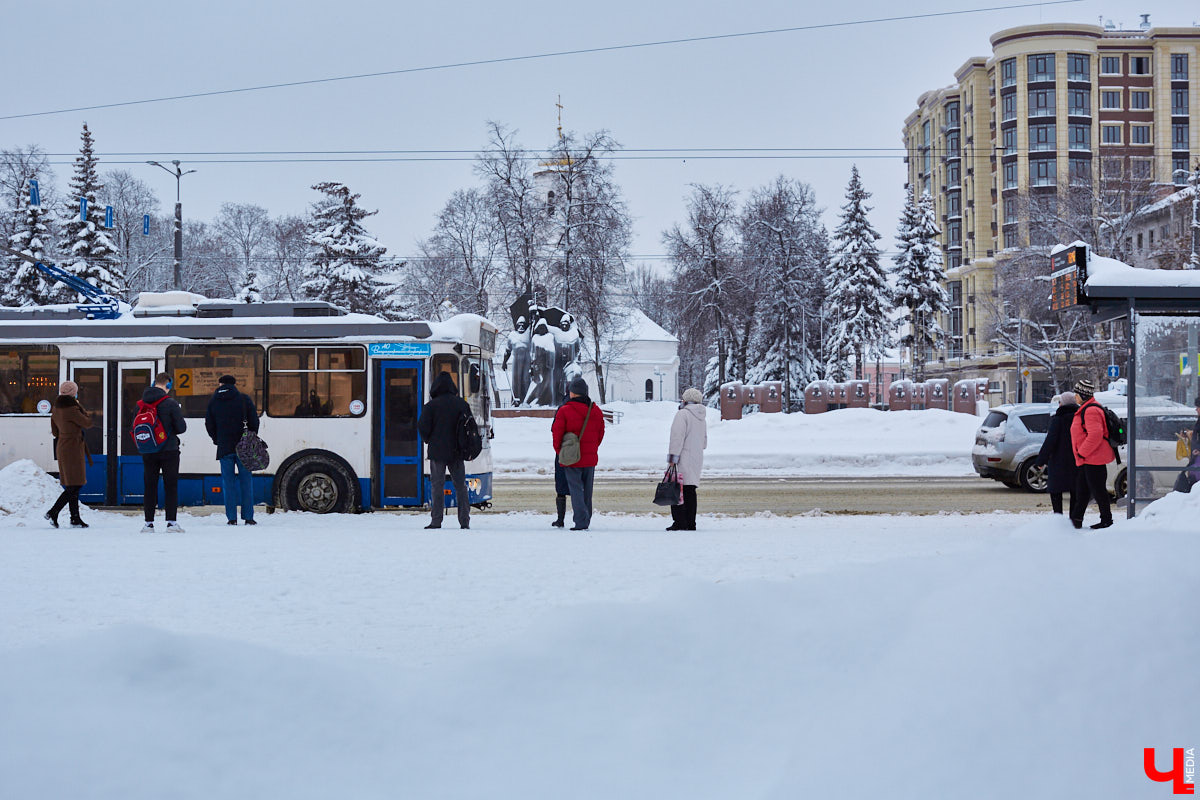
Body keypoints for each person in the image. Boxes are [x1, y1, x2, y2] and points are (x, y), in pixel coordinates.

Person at [417, 371, 472, 529]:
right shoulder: (461, 404)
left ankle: (436, 521)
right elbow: (470, 428)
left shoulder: (431, 406)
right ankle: (464, 521)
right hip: (457, 452)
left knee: (437, 486)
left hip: (437, 452)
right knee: (460, 486)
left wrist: (430, 440)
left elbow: (423, 427)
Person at [551, 376, 605, 530]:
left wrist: (560, 452)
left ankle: (580, 521)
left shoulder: (565, 410)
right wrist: (593, 447)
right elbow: (600, 433)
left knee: (576, 490)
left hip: (572, 457)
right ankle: (586, 519)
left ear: (573, 393)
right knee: (587, 492)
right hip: (590, 457)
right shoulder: (595, 410)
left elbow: (557, 434)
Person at [205, 375, 259, 526]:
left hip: (224, 447)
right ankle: (248, 517)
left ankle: (231, 518)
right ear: (234, 384)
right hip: (244, 447)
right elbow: (254, 421)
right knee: (246, 482)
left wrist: (217, 440)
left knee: (228, 483)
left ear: (220, 383)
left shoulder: (214, 401)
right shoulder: (243, 399)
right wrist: (250, 437)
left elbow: (209, 424)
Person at [140, 372, 188, 533]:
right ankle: (171, 523)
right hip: (169, 450)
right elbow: (181, 428)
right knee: (170, 485)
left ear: (154, 383)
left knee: (149, 485)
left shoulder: (141, 404)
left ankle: (148, 523)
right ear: (168, 385)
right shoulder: (170, 403)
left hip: (148, 450)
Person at [1069, 379, 1115, 530]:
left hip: (1093, 458)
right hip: (1088, 458)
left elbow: (1095, 435)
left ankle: (1106, 520)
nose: (1075, 397)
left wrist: (1082, 452)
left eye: (1076, 394)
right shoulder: (1086, 408)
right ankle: (1076, 521)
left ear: (1083, 395)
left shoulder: (1091, 410)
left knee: (1098, 491)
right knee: (1083, 491)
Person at [45, 380, 92, 529]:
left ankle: (75, 518)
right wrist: (79, 406)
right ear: (73, 393)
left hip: (63, 446)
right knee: (75, 484)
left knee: (73, 483)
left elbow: (54, 432)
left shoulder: (56, 408)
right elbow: (87, 422)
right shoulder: (72, 408)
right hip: (72, 447)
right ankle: (54, 511)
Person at [666, 387, 708, 531]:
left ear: (685, 399)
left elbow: (677, 437)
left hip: (683, 457)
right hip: (696, 458)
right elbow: (704, 442)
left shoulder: (682, 414)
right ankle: (691, 523)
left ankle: (679, 522)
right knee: (691, 491)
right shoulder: (702, 417)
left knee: (678, 489)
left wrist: (673, 457)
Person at [1034, 392, 1078, 516]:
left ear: (1062, 404)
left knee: (1056, 491)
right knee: (1075, 491)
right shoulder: (1079, 417)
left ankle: (1058, 518)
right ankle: (1074, 519)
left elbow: (1050, 441)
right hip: (1076, 459)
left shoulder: (1058, 419)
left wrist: (1040, 460)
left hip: (1059, 460)